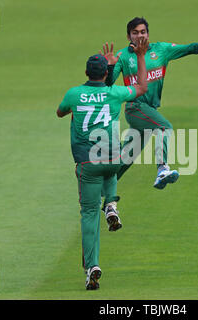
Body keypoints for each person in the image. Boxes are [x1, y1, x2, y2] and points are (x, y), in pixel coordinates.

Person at [57, 38, 148, 290]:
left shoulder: (74, 93)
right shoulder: (114, 93)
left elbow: (60, 112)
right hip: (112, 159)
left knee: (88, 214)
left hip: (88, 163)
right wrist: (140, 56)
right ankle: (111, 204)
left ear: (86, 72)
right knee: (110, 166)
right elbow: (141, 87)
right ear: (106, 74)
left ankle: (92, 267)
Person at [102, 17, 198, 189]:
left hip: (149, 109)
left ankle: (100, 189)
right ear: (128, 36)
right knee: (164, 127)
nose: (140, 36)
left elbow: (189, 48)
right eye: (135, 33)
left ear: (148, 33)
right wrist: (109, 66)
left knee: (128, 156)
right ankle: (162, 169)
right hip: (135, 108)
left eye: (143, 32)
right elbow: (108, 84)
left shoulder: (161, 49)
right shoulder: (123, 57)